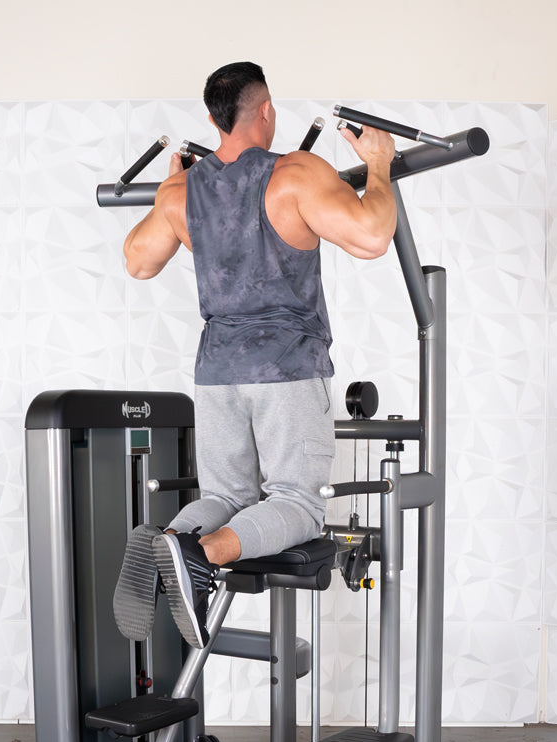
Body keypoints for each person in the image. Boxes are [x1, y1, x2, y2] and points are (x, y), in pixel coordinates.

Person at [114, 61, 397, 648]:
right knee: (297, 501)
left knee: (222, 497)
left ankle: (170, 537)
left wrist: (174, 191)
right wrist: (379, 166)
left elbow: (137, 261)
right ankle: (198, 557)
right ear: (265, 110)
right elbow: (372, 236)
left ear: (215, 120)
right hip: (287, 369)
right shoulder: (295, 173)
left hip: (216, 373)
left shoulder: (182, 191)